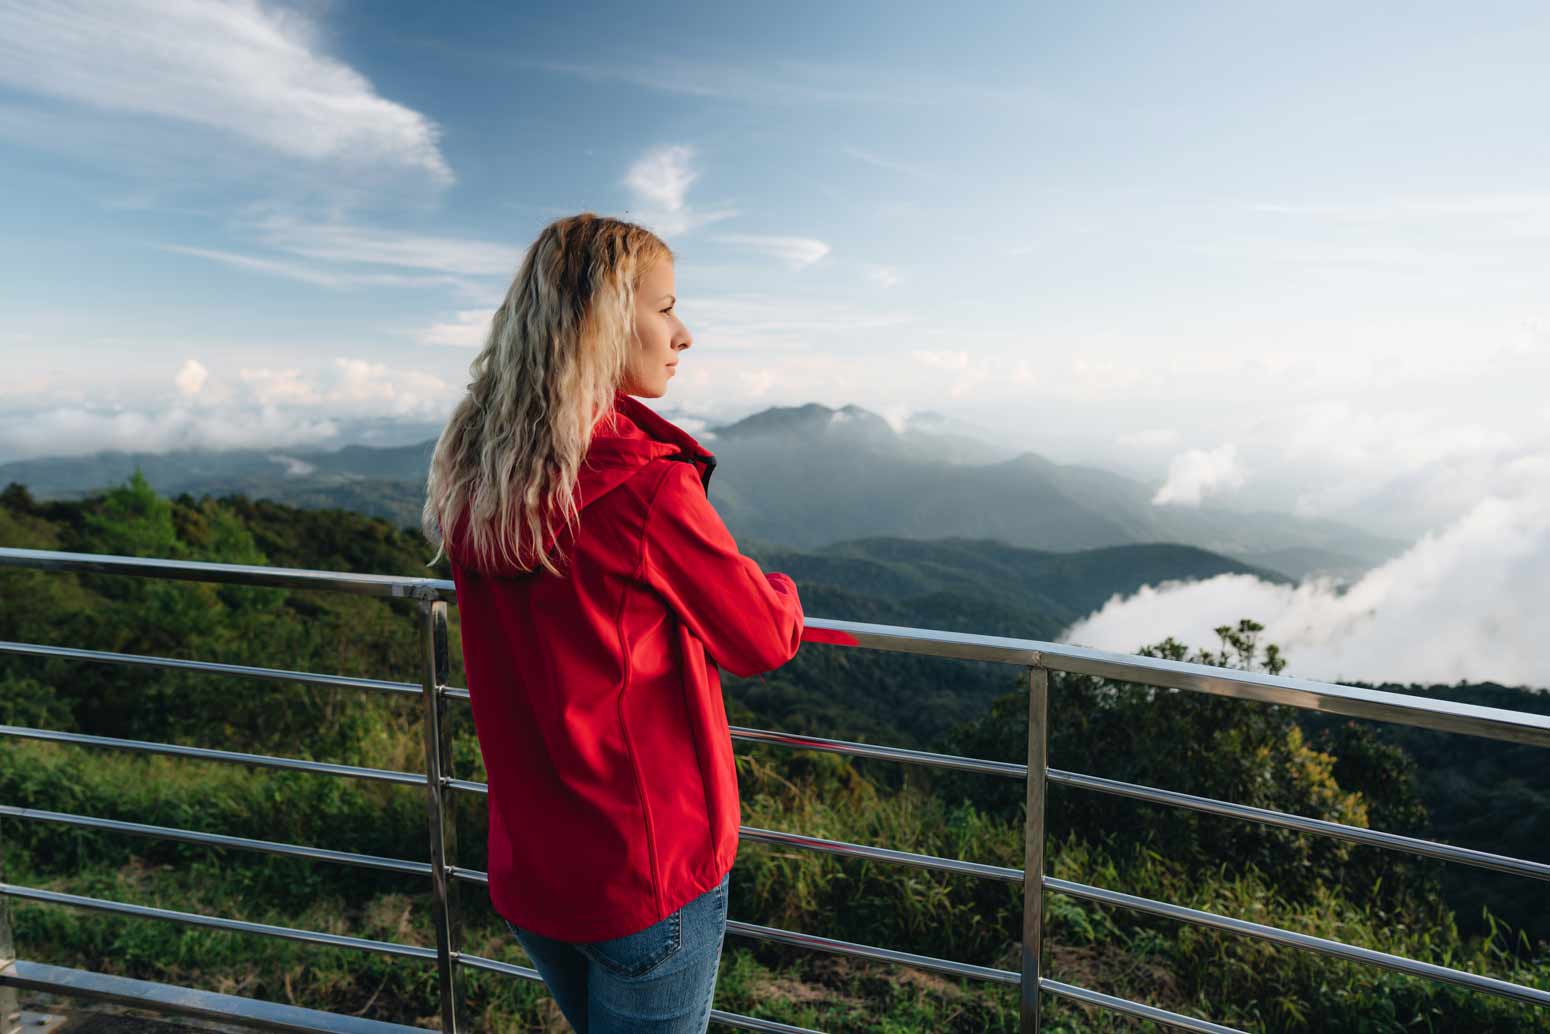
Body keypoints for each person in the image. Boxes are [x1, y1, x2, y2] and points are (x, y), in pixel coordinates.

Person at [421, 213, 805, 1033]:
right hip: (644, 872)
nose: (684, 333)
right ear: (603, 323)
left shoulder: (477, 468)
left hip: (535, 868)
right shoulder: (644, 488)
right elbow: (760, 637)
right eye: (666, 307)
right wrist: (781, 587)